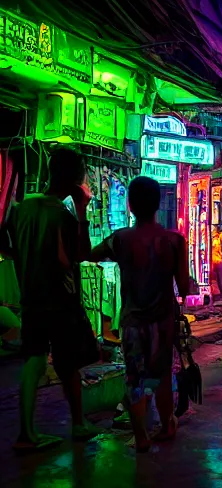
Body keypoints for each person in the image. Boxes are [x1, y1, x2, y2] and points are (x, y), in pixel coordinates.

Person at [2, 149, 105, 452]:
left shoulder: (22, 208)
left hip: (30, 297)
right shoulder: (63, 214)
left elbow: (8, 246)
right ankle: (78, 423)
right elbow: (81, 254)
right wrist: (83, 210)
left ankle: (27, 433)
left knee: (34, 359)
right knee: (67, 362)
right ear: (75, 178)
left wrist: (25, 260)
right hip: (60, 300)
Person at [87, 177, 194, 451]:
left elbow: (89, 253)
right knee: (159, 375)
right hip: (163, 322)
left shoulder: (120, 239)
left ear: (130, 205)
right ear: (159, 204)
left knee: (135, 378)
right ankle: (167, 425)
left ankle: (142, 437)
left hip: (133, 322)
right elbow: (184, 287)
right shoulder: (174, 241)